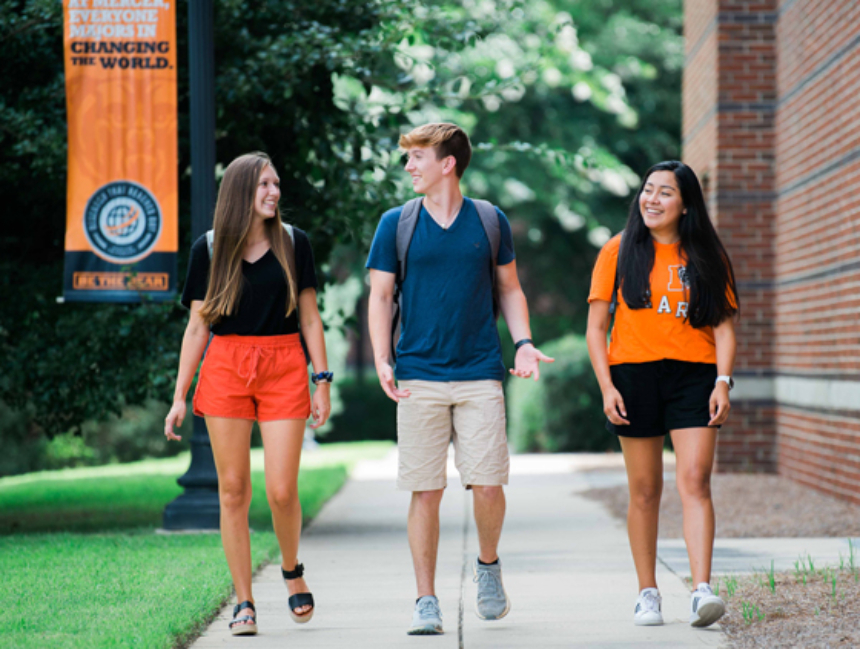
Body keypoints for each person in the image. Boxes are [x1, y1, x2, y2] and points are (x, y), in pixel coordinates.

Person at [366, 123, 554, 635]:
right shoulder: (396, 224)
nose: (409, 166)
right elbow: (381, 296)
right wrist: (383, 358)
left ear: (448, 163)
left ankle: (488, 567)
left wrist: (523, 343)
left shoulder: (489, 221)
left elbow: (510, 289)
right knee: (425, 490)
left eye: (418, 157)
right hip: (418, 375)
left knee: (488, 484)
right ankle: (426, 600)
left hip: (478, 373)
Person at [164, 152, 331, 636]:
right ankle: (244, 601)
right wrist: (179, 396)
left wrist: (321, 379)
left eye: (276, 183)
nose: (274, 192)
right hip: (226, 368)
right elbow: (197, 327)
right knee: (233, 490)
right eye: (263, 185)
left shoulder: (293, 242)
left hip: (282, 365)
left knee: (282, 490)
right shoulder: (210, 249)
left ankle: (292, 567)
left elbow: (310, 318)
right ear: (241, 191)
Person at [586, 160, 738, 628]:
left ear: (686, 204)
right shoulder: (618, 250)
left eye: (664, 193)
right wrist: (607, 386)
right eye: (647, 190)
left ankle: (701, 591)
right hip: (633, 376)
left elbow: (725, 327)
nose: (651, 199)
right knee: (645, 489)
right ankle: (647, 592)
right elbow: (595, 327)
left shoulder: (706, 254)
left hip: (695, 375)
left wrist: (723, 381)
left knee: (695, 480)